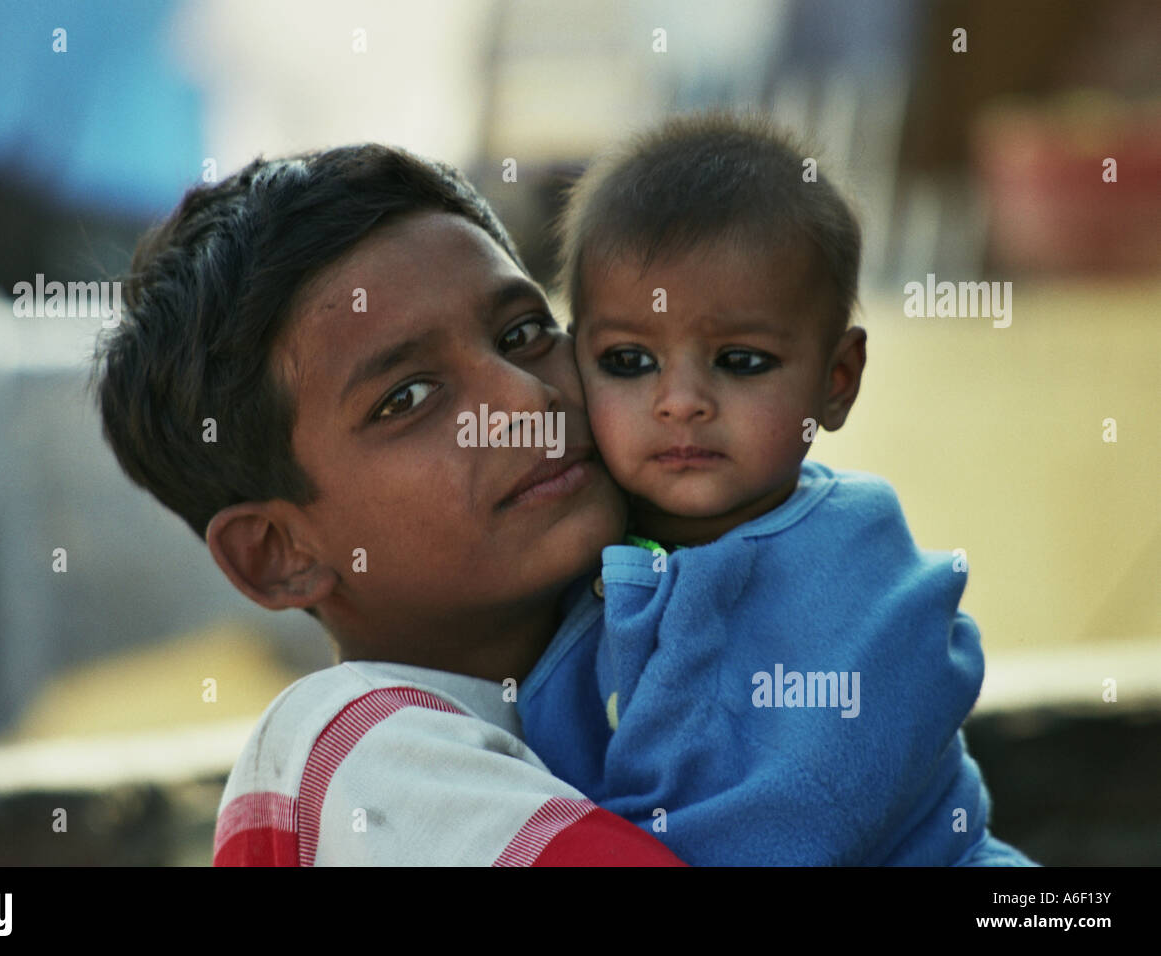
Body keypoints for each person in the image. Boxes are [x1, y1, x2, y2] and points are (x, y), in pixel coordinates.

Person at [93, 145, 684, 865]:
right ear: (278, 554)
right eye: (406, 398)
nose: (527, 401)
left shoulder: (647, 657)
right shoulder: (353, 752)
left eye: (523, 335)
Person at [516, 112, 1037, 865]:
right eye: (629, 361)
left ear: (836, 381)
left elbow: (805, 814)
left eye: (741, 361)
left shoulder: (853, 551)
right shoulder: (570, 543)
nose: (681, 401)